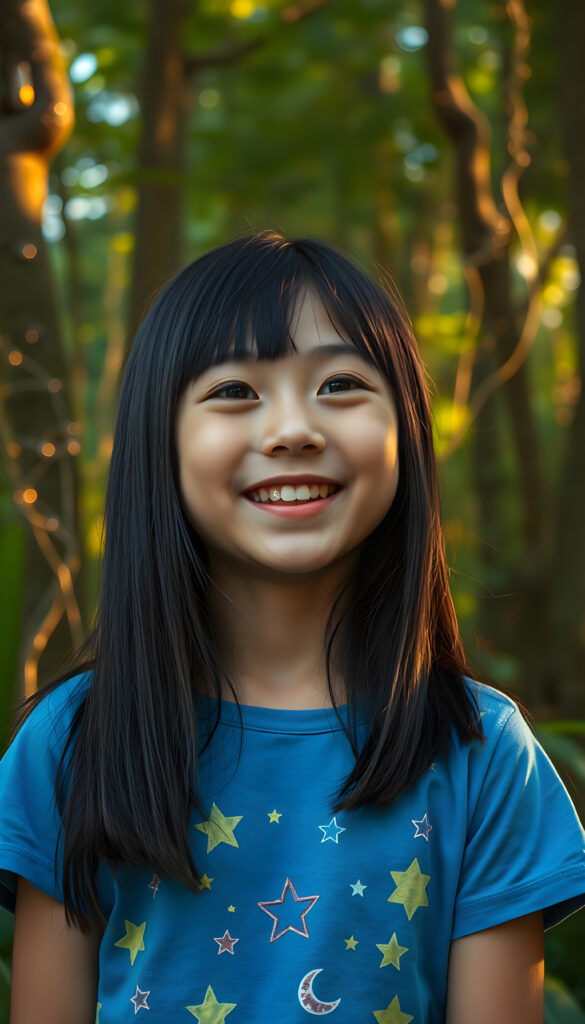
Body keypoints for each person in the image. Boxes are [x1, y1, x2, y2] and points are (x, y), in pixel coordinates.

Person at [1, 232, 585, 1024]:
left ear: (406, 430)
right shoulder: (73, 740)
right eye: (234, 390)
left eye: (340, 383)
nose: (291, 430)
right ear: (158, 440)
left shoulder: (479, 750)